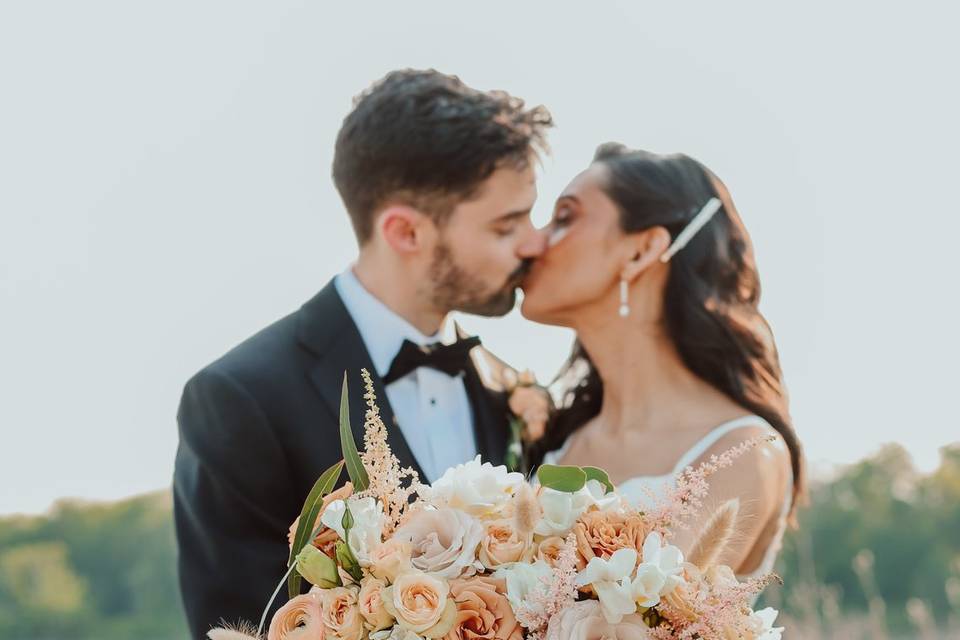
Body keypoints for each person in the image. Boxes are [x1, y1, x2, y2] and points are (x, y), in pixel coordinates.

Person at [173, 69, 552, 638]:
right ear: (405, 232)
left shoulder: (509, 387)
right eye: (506, 225)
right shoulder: (240, 398)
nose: (534, 242)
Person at [522, 143, 804, 578]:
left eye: (565, 218)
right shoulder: (550, 436)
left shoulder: (742, 451)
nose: (533, 241)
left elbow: (641, 616)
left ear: (641, 251)